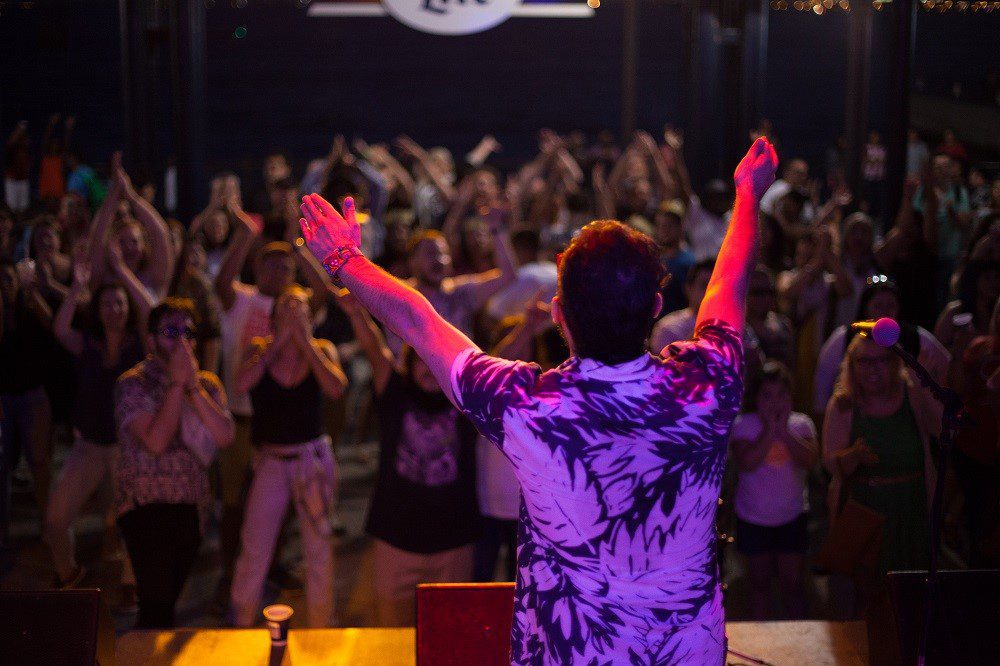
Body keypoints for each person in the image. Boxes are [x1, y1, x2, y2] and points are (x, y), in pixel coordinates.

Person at [298, 137, 778, 663]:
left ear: (557, 314)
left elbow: (419, 321)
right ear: (657, 306)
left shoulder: (528, 407)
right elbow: (727, 288)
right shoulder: (707, 383)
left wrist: (344, 258)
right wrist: (747, 197)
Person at [337, 290, 480, 626]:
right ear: (410, 364)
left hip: (453, 542)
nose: (429, 368)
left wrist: (527, 328)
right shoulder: (395, 393)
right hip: (396, 540)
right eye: (421, 360)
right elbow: (375, 351)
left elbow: (500, 364)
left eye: (436, 360)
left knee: (450, 634)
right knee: (393, 634)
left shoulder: (465, 399)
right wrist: (357, 313)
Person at [230, 285, 347, 628]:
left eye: (301, 310)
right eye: (287, 308)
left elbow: (336, 388)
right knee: (255, 546)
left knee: (318, 548)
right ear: (274, 317)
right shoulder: (259, 348)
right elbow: (241, 385)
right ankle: (241, 622)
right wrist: (279, 343)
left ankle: (322, 625)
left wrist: (306, 343)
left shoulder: (322, 349)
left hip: (311, 460)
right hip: (271, 460)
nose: (294, 314)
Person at [115, 299, 234, 627]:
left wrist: (192, 387)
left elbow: (225, 436)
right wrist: (177, 385)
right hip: (144, 508)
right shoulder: (133, 383)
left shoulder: (206, 384)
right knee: (155, 604)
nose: (181, 341)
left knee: (165, 603)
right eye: (171, 332)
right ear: (151, 340)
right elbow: (155, 442)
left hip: (190, 508)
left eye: (188, 333)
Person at [46, 263, 146, 587]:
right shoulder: (88, 343)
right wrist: (77, 288)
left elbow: (151, 310)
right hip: (88, 447)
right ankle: (68, 574)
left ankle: (131, 584)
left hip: (126, 450)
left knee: (131, 522)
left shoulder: (139, 345)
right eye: (107, 303)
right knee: (55, 518)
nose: (114, 309)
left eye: (119, 303)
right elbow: (61, 330)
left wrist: (122, 272)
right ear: (97, 310)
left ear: (128, 308)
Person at [822, 334, 940, 575]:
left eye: (881, 360)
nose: (872, 369)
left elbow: (943, 429)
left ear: (894, 363)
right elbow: (830, 464)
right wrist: (853, 455)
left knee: (913, 582)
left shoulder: (911, 394)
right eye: (864, 361)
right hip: (866, 513)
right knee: (871, 586)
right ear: (852, 365)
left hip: (911, 510)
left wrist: (925, 387)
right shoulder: (843, 404)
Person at [730, 361, 818, 620]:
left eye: (781, 395)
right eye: (767, 395)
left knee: (793, 584)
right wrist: (770, 430)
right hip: (753, 519)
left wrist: (784, 431)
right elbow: (747, 462)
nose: (775, 402)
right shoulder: (743, 425)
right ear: (756, 398)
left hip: (792, 517)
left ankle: (798, 636)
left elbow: (809, 460)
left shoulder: (802, 424)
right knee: (759, 585)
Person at [0, 259, 54, 548]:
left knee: (40, 463)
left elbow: (51, 323)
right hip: (4, 396)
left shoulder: (30, 306)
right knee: (2, 466)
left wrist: (32, 293)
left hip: (33, 394)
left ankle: (48, 524)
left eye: (9, 280)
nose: (5, 286)